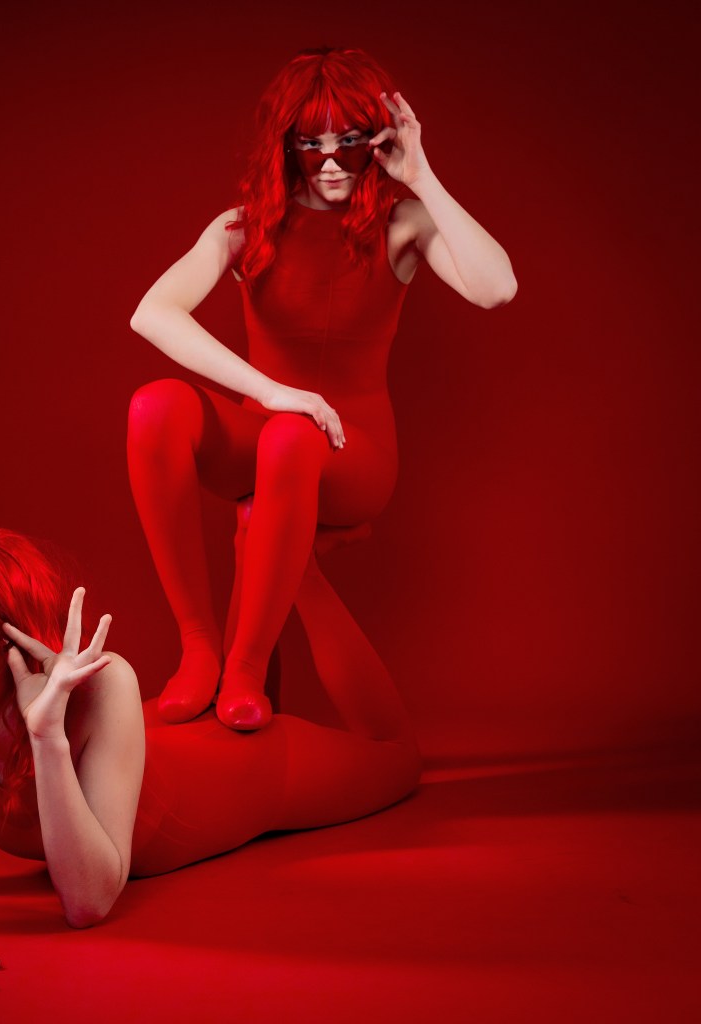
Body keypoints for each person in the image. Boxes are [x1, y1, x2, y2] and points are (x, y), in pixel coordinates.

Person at [0, 525, 420, 999]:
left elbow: (88, 903)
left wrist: (48, 737)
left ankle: (300, 569)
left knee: (397, 759)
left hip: (248, 772)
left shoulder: (104, 682)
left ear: (18, 639)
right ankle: (267, 556)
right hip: (151, 743)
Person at [127, 47, 517, 731]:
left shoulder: (400, 225)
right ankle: (199, 649)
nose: (332, 161)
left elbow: (497, 288)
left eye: (349, 142)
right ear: (287, 146)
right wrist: (275, 391)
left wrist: (421, 177)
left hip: (355, 458)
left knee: (290, 438)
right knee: (155, 406)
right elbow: (151, 313)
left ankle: (245, 670)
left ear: (379, 141)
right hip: (272, 435)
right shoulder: (242, 228)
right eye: (313, 144)